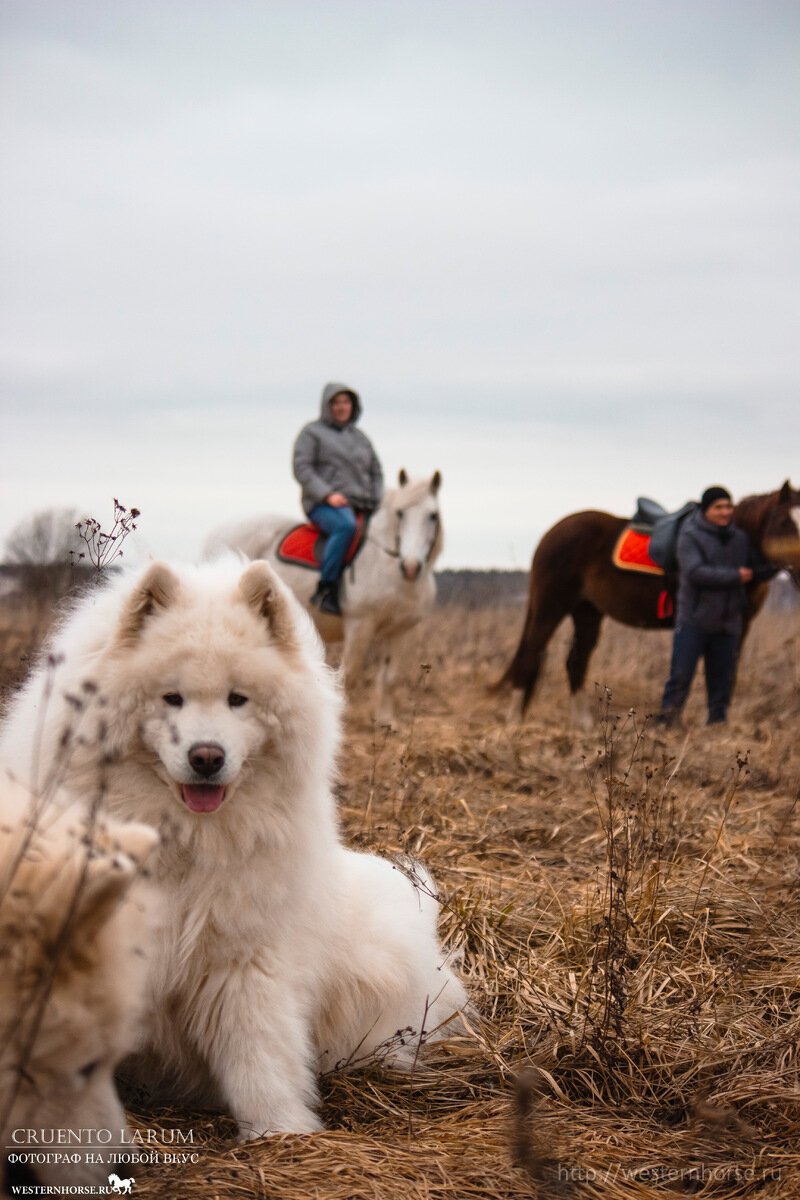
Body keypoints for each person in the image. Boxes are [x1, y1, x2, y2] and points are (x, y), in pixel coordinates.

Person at [656, 486, 776, 727]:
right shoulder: (690, 536)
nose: (725, 512)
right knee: (680, 675)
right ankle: (667, 721)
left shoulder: (739, 539)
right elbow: (694, 572)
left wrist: (781, 562)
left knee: (722, 678)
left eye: (728, 506)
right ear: (706, 510)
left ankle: (717, 724)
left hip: (728, 622)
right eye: (718, 507)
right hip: (694, 620)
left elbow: (756, 569)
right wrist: (736, 576)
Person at [292, 382, 384, 616]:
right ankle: (327, 588)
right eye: (336, 402)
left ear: (353, 406)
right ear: (327, 406)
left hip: (362, 504)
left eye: (346, 402)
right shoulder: (312, 433)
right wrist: (327, 495)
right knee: (345, 526)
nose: (342, 407)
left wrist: (377, 498)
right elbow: (302, 468)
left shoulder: (361, 438)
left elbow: (376, 472)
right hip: (325, 505)